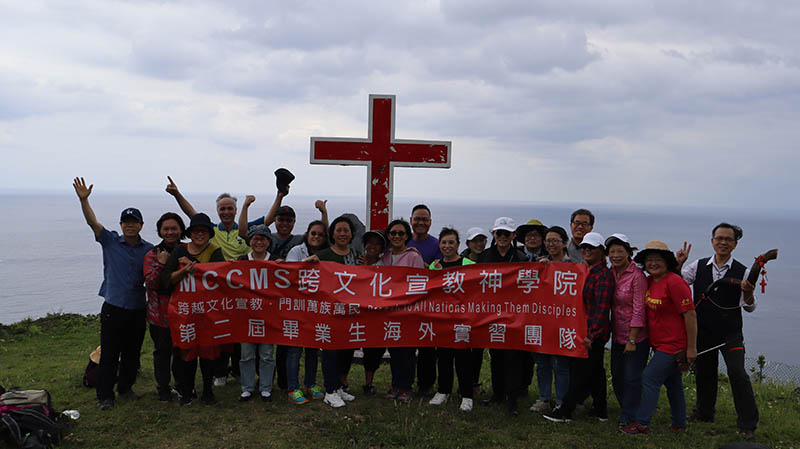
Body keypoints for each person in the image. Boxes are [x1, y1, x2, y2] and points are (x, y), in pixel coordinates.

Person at [166, 178, 264, 386]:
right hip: (216, 293)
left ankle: (237, 371)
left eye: (230, 208)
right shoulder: (211, 231)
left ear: (235, 210)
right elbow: (192, 214)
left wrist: (279, 195)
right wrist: (177, 194)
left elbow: (270, 220)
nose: (226, 212)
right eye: (222, 209)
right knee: (220, 331)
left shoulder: (246, 229)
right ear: (217, 211)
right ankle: (220, 372)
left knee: (238, 332)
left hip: (240, 291)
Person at [73, 177, 154, 411]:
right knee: (109, 353)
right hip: (113, 307)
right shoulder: (110, 242)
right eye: (126, 222)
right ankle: (105, 396)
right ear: (121, 224)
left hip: (138, 308)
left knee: (132, 353)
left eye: (134, 222)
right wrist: (84, 201)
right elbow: (92, 222)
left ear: (141, 225)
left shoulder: (149, 250)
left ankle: (125, 388)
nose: (130, 226)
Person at [676, 223, 759, 440]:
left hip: (730, 333)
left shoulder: (743, 271)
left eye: (728, 239)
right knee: (705, 372)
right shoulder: (699, 265)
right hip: (703, 330)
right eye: (719, 238)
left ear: (735, 244)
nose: (723, 242)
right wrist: (678, 265)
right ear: (712, 241)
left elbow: (749, 306)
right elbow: (678, 284)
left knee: (738, 373)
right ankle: (704, 413)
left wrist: (748, 292)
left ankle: (747, 424)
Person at [238, 193, 328, 392]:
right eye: (281, 219)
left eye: (289, 220)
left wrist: (323, 212)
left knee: (277, 349)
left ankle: (275, 384)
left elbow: (321, 236)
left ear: (294, 222)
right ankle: (256, 384)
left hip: (284, 305)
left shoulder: (297, 241)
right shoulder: (260, 244)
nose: (285, 223)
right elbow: (243, 233)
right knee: (253, 350)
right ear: (275, 221)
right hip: (258, 307)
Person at [621, 241, 697, 434]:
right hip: (658, 343)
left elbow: (690, 315)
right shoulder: (649, 281)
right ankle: (679, 423)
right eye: (649, 260)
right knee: (673, 383)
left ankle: (642, 423)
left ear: (667, 262)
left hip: (674, 344)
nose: (653, 263)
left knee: (649, 378)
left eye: (658, 259)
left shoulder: (675, 282)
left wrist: (691, 348)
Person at [544, 232, 614, 423]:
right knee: (596, 372)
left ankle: (565, 411)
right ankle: (601, 411)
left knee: (579, 373)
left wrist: (592, 335)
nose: (587, 251)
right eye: (584, 247)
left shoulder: (603, 275)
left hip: (593, 333)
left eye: (592, 248)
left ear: (602, 251)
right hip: (586, 330)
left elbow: (601, 309)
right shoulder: (586, 270)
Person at [159, 213, 228, 405]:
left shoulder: (215, 251)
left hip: (208, 311)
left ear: (209, 234)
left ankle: (208, 392)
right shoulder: (179, 250)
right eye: (196, 231)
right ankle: (187, 391)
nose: (200, 234)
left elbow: (220, 277)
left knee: (208, 354)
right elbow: (166, 279)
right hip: (185, 311)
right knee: (186, 353)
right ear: (190, 233)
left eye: (204, 231)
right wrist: (183, 270)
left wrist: (192, 265)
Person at [476, 217, 527, 415]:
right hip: (491, 314)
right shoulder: (484, 257)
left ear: (513, 236)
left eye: (507, 233)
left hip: (514, 315)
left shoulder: (522, 258)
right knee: (496, 355)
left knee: (513, 358)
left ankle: (512, 399)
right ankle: (498, 394)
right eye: (499, 233)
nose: (503, 237)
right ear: (494, 234)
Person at [311, 215, 360, 408]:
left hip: (351, 311)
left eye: (346, 230)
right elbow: (304, 272)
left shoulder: (356, 255)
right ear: (332, 234)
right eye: (338, 230)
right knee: (331, 352)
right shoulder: (323, 255)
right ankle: (330, 391)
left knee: (347, 350)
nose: (342, 233)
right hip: (329, 312)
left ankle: (339, 387)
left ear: (351, 234)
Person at [428, 227, 476, 412]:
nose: (447, 246)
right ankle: (443, 391)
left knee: (464, 358)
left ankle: (467, 395)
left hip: (463, 319)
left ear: (458, 245)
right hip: (442, 320)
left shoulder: (468, 264)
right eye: (444, 242)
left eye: (451, 242)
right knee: (443, 357)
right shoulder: (434, 266)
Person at [283, 220, 330, 404]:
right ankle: (293, 388)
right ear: (307, 234)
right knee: (294, 350)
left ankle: (310, 384)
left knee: (312, 350)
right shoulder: (296, 251)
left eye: (320, 234)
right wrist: (306, 263)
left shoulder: (327, 254)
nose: (316, 237)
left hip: (316, 309)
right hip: (296, 308)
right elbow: (288, 274)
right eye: (313, 233)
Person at [604, 234, 649, 428]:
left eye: (619, 251)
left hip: (636, 337)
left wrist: (632, 339)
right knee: (617, 376)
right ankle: (628, 408)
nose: (615, 255)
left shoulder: (637, 276)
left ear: (628, 253)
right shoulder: (610, 272)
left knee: (632, 377)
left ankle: (630, 416)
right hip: (617, 335)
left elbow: (639, 309)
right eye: (612, 251)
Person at [529, 226, 574, 413]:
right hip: (541, 321)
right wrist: (541, 269)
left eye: (555, 240)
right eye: (548, 241)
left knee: (560, 364)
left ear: (564, 243)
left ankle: (562, 400)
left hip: (562, 322)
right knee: (542, 363)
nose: (551, 244)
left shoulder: (573, 266)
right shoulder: (539, 264)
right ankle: (544, 398)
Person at [143, 212, 186, 402]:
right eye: (166, 229)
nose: (170, 232)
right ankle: (163, 389)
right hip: (160, 315)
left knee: (182, 351)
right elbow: (151, 283)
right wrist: (161, 264)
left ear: (181, 230)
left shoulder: (187, 251)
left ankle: (181, 385)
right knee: (162, 352)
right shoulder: (153, 254)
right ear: (160, 231)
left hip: (183, 313)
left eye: (174, 228)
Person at [382, 218, 426, 403]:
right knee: (394, 351)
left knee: (407, 352)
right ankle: (395, 384)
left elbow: (419, 283)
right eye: (393, 233)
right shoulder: (384, 256)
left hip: (408, 312)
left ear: (407, 236)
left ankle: (406, 387)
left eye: (401, 233)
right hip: (389, 312)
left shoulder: (414, 257)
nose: (397, 236)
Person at [234, 224, 277, 403]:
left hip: (268, 315)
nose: (259, 242)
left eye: (263, 239)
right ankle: (247, 388)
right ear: (249, 241)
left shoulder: (275, 261)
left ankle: (266, 387)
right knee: (246, 354)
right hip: (246, 315)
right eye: (255, 238)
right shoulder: (241, 260)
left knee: (267, 353)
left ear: (269, 242)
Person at [407, 204, 442, 396]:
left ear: (430, 222)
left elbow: (440, 274)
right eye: (417, 219)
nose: (420, 222)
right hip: (404, 302)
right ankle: (403, 383)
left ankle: (426, 384)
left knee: (427, 345)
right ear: (410, 220)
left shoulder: (437, 245)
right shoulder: (401, 241)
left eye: (424, 219)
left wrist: (420, 262)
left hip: (428, 302)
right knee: (405, 345)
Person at [359, 230, 389, 396]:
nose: (373, 246)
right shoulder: (355, 262)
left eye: (377, 244)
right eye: (370, 242)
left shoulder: (386, 268)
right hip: (355, 313)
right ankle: (342, 381)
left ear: (382, 249)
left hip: (377, 315)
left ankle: (368, 383)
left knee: (373, 350)